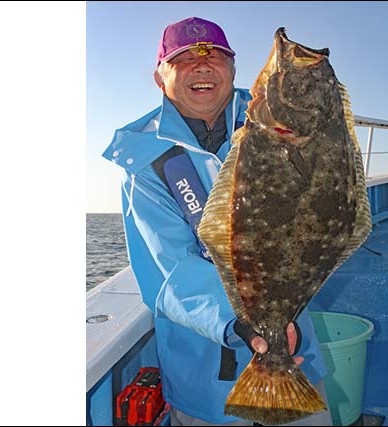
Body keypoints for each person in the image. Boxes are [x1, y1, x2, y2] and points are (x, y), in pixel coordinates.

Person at [102, 17, 333, 426]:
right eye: (184, 58)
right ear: (160, 77)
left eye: (215, 56)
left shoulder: (277, 118)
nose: (202, 66)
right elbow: (170, 269)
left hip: (297, 354)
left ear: (233, 69)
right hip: (208, 379)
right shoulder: (143, 159)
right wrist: (245, 324)